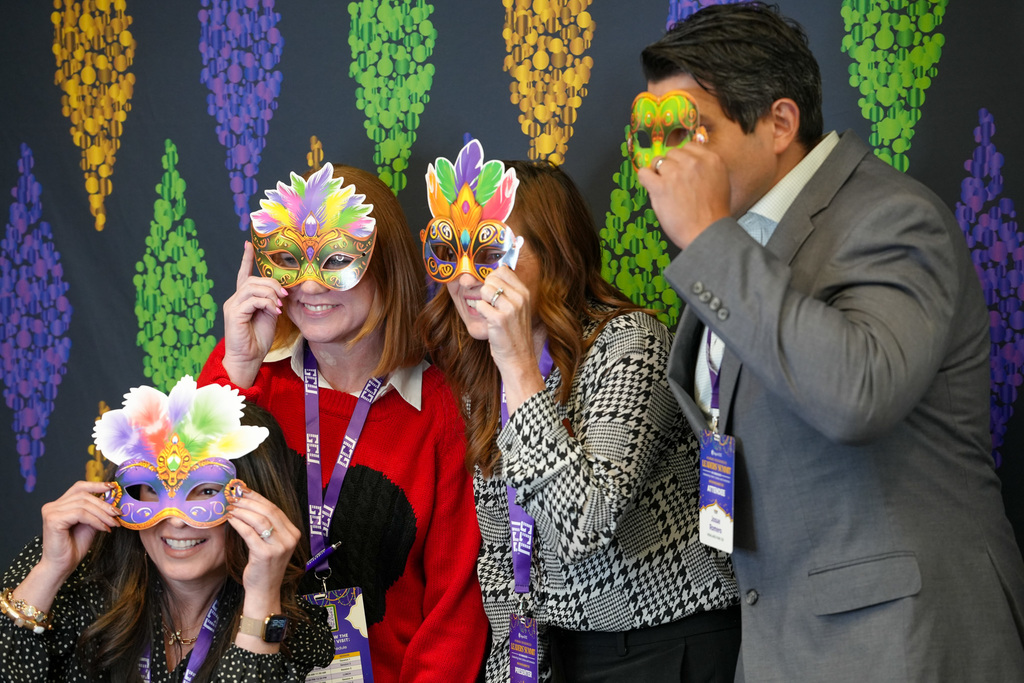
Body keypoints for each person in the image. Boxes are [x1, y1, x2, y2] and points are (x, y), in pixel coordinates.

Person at [635, 3, 1024, 681]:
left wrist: (706, 239)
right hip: (782, 639)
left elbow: (857, 394)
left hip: (902, 641)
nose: (667, 158)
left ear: (780, 122)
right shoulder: (740, 241)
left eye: (690, 131)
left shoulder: (891, 216)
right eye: (654, 132)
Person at [418, 140, 740, 683]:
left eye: (493, 251)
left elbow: (583, 528)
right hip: (564, 648)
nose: (466, 277)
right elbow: (500, 552)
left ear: (558, 254)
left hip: (666, 636)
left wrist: (520, 369)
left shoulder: (630, 343)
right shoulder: (482, 371)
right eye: (450, 251)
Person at [198, 162, 487, 682]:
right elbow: (186, 513)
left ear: (387, 263)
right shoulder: (245, 374)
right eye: (289, 259)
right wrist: (239, 367)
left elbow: (454, 608)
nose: (309, 284)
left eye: (336, 259)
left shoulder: (441, 407)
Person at [0, 377, 333, 682]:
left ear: (259, 502)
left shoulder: (296, 634)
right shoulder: (75, 578)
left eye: (204, 490)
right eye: (152, 488)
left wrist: (261, 598)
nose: (175, 519)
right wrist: (49, 572)